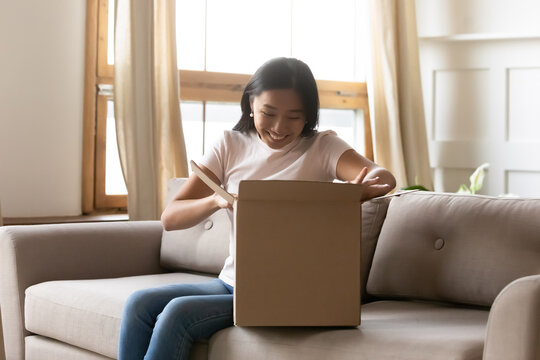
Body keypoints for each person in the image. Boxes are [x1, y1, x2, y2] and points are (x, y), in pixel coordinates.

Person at [118, 57, 396, 360]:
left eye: (294, 116)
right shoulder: (230, 145)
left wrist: (353, 192)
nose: (279, 127)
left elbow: (384, 177)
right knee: (139, 304)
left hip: (293, 292)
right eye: (269, 112)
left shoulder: (323, 147)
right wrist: (216, 200)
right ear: (251, 104)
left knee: (177, 314)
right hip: (232, 283)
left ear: (308, 116)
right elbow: (170, 218)